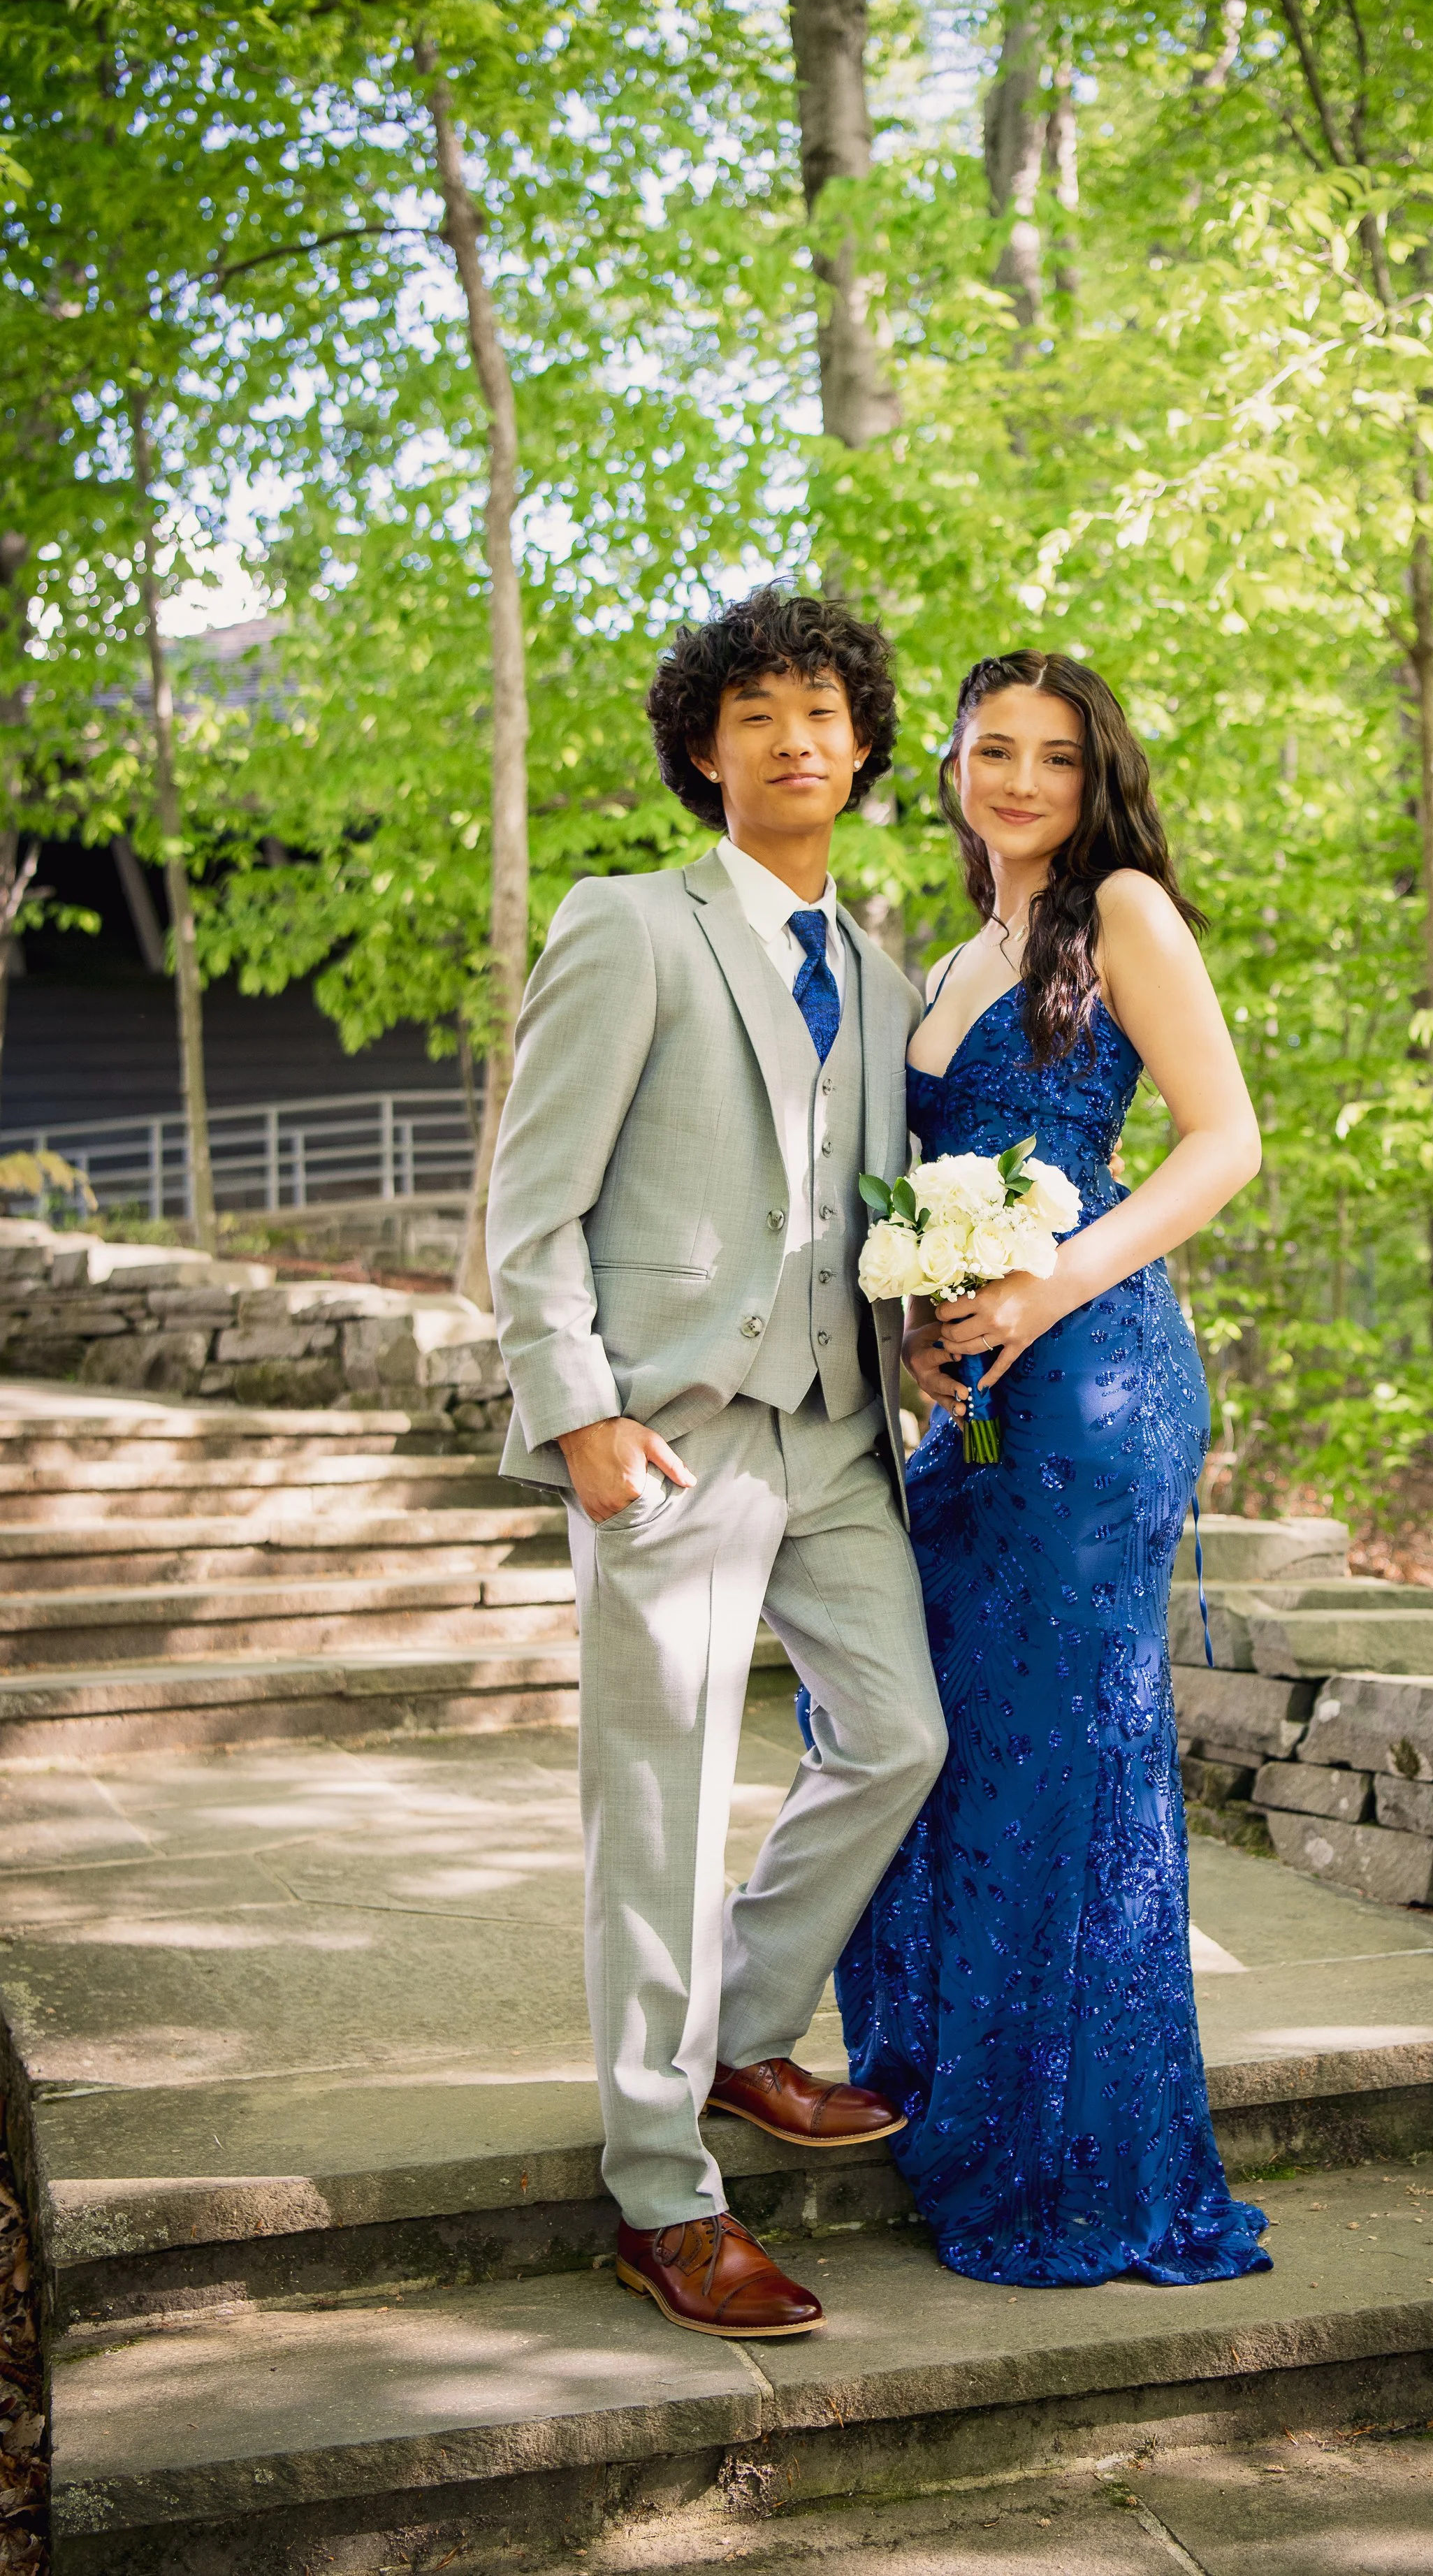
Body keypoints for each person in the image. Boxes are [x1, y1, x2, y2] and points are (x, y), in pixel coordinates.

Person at [486, 588, 945, 2340]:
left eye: (821, 712)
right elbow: (532, 1203)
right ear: (704, 748)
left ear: (860, 747)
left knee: (899, 1735)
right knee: (659, 1817)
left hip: (838, 1433)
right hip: (668, 1429)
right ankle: (661, 2194)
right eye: (755, 712)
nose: (792, 739)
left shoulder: (890, 980)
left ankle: (742, 2030)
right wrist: (579, 1406)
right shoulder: (628, 925)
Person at [832, 650, 1273, 2288]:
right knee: (944, 1746)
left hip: (1095, 1393)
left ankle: (1078, 2160)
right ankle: (954, 2088)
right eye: (990, 750)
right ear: (946, 767)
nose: (1019, 780)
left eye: (1055, 758)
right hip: (973, 1405)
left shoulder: (1123, 917)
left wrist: (1041, 1284)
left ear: (1096, 781)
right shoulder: (946, 958)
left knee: (1058, 1761)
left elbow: (1222, 1139)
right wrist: (922, 1331)